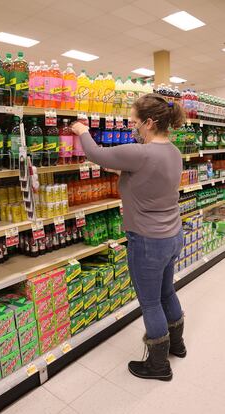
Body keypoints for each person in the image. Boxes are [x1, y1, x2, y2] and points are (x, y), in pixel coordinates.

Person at [71, 93, 187, 382]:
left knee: (150, 303)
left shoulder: (141, 152)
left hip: (147, 241)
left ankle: (158, 366)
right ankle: (178, 345)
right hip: (172, 235)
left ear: (149, 122)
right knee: (167, 291)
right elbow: (145, 174)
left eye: (134, 122)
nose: (132, 127)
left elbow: (95, 154)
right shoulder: (172, 150)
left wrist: (83, 131)